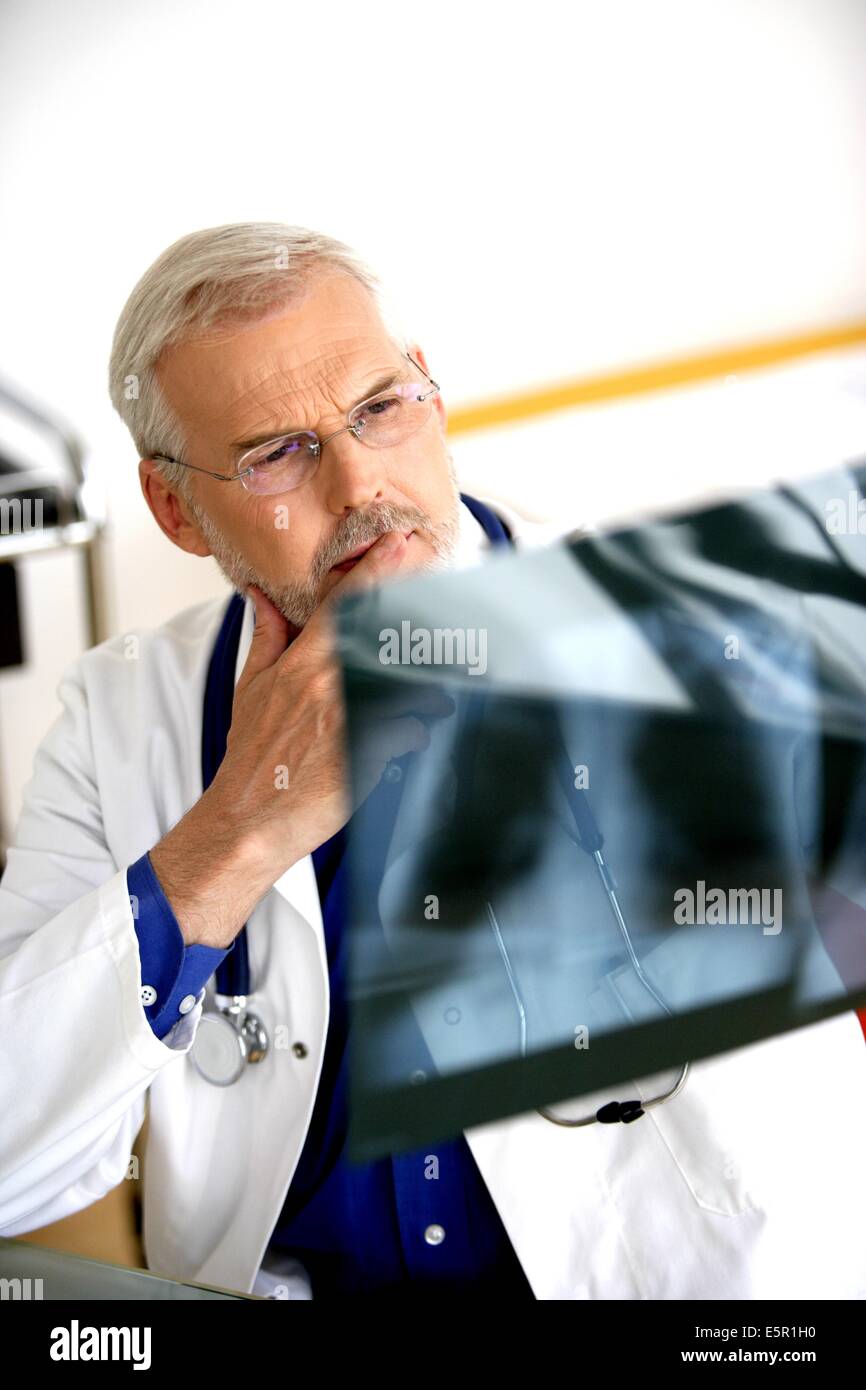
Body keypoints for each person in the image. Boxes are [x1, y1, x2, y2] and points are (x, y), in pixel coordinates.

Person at [1, 223, 865, 1300]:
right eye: (278, 451)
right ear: (176, 507)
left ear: (433, 396)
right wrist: (238, 832)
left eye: (379, 408)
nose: (359, 481)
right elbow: (12, 1160)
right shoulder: (118, 725)